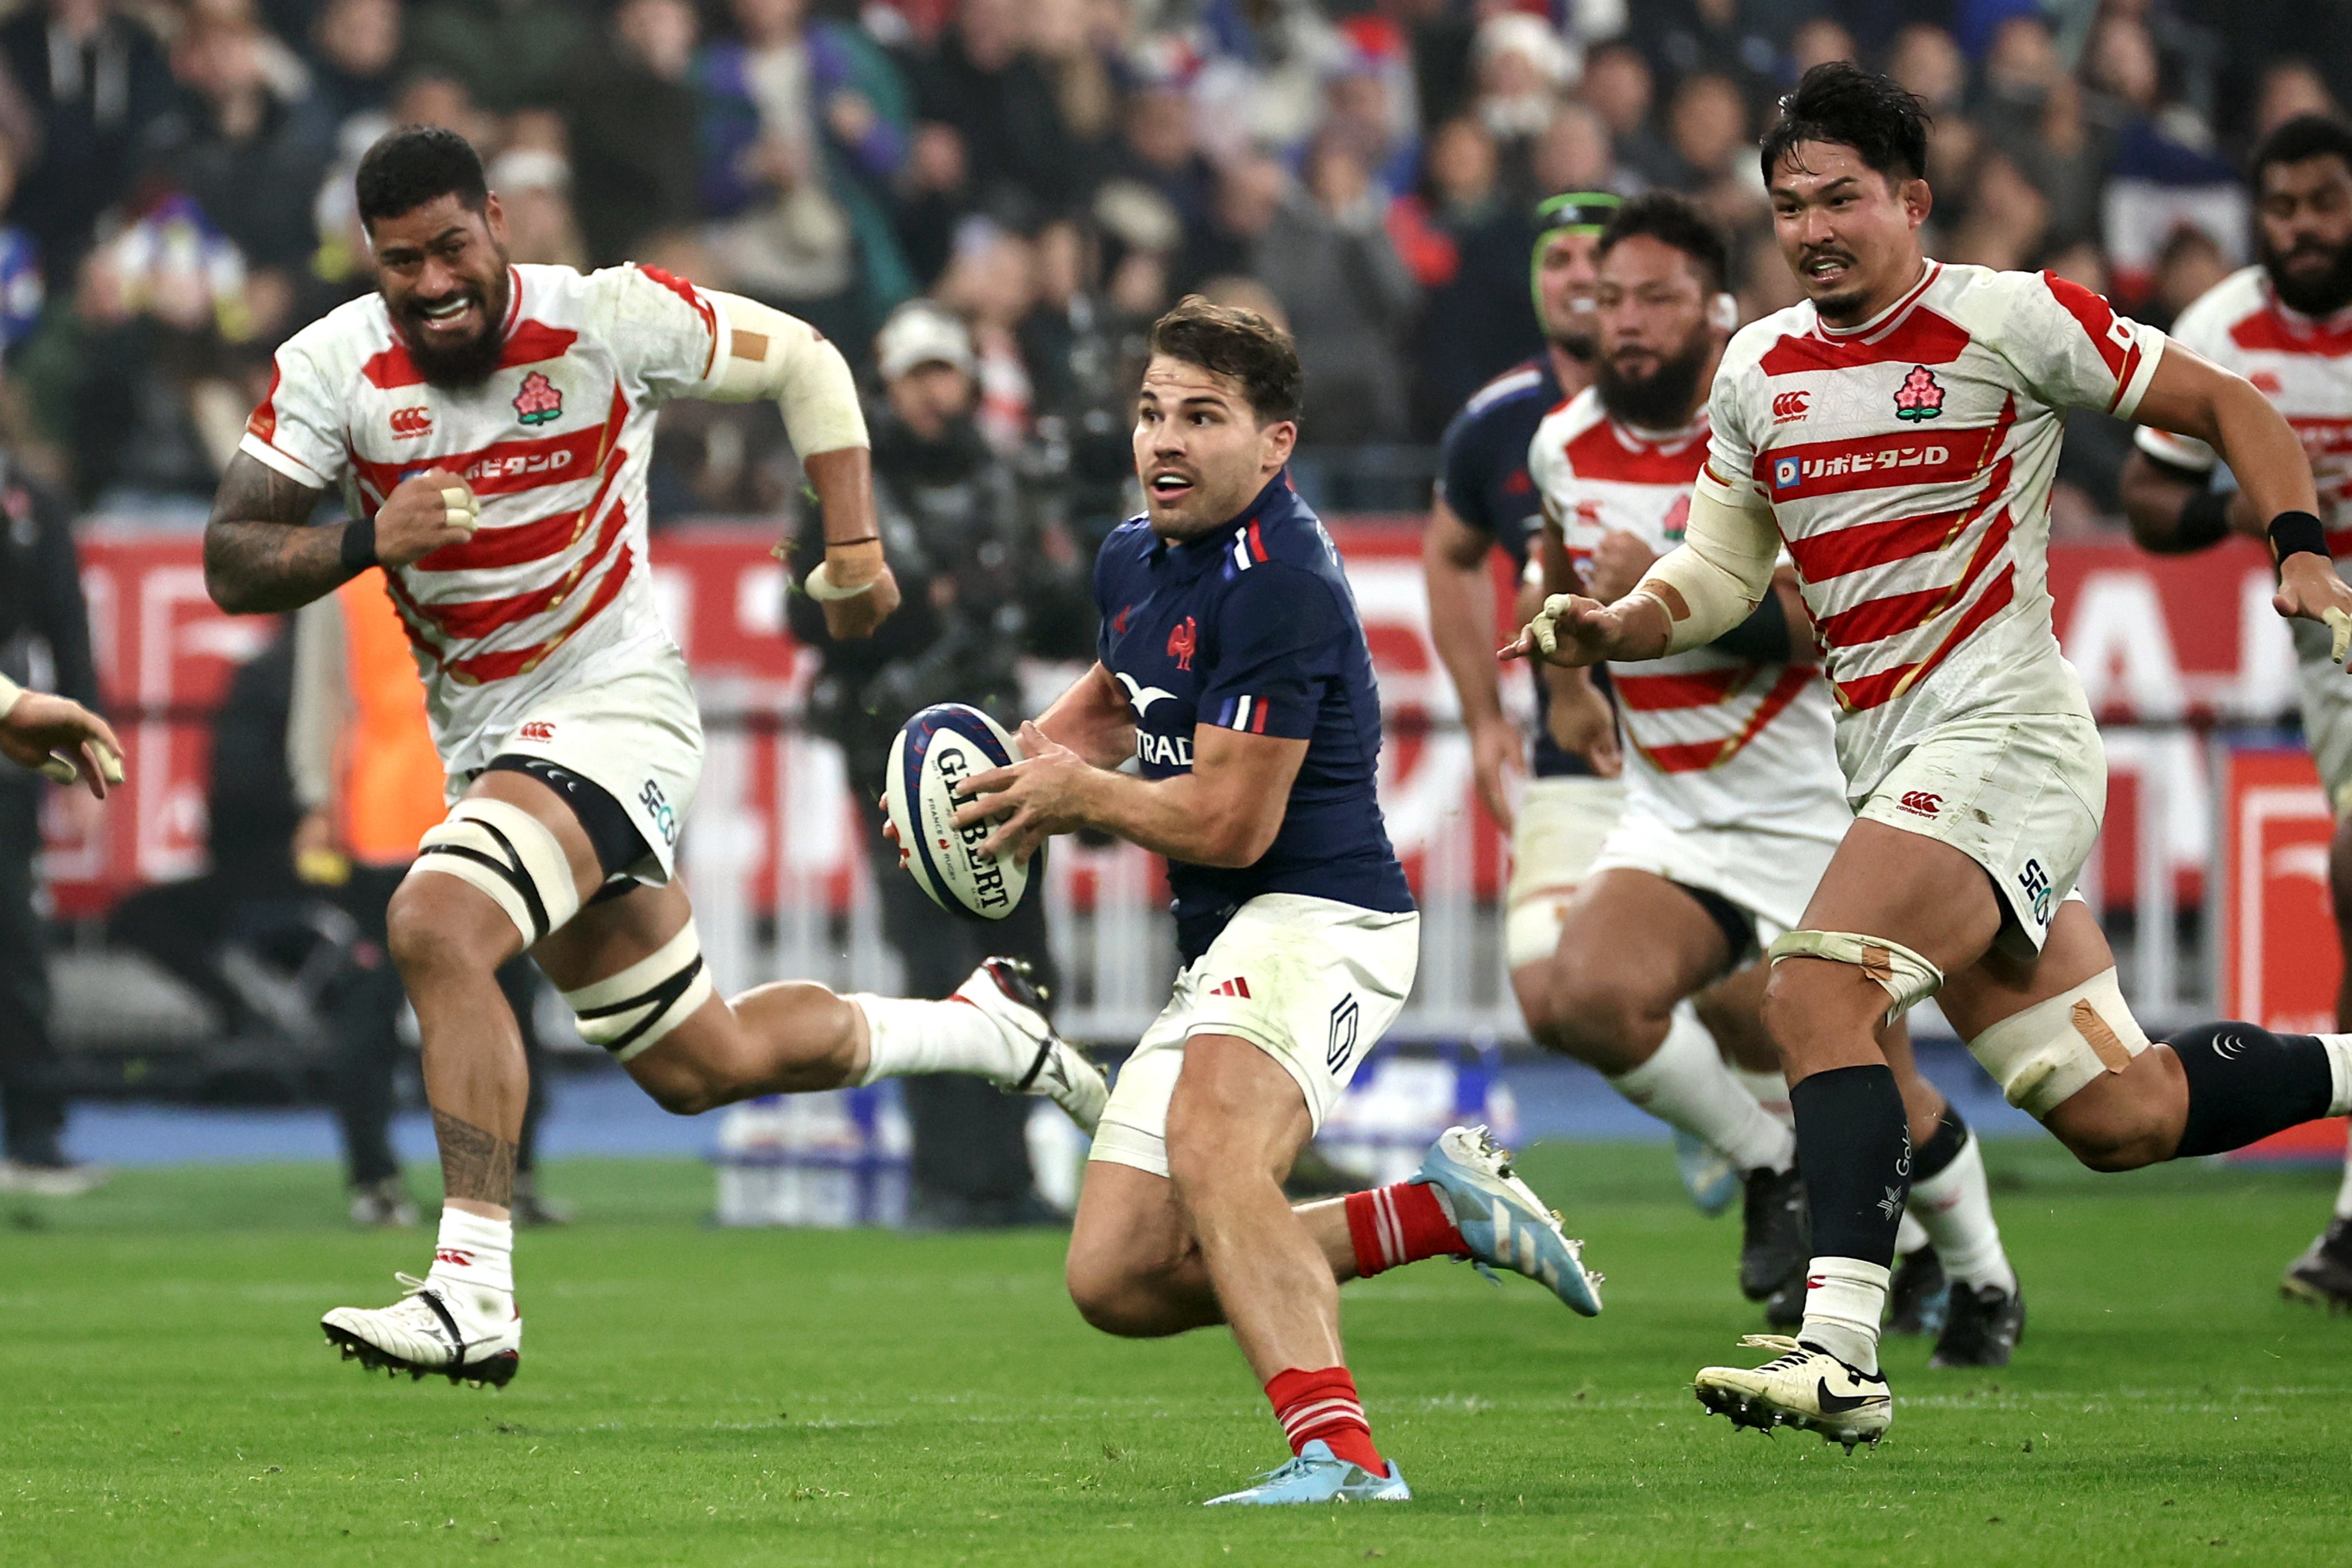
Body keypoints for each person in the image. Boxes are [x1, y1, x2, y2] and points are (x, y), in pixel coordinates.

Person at [1511, 63, 2352, 1450]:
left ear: (1912, 200)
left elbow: (2230, 412)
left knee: (1816, 991)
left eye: (1842, 199)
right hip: (1896, 761)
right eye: (1790, 206)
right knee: (2118, 1112)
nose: (1814, 229)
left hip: (2006, 740)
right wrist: (1619, 620)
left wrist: (2300, 554)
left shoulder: (2006, 319)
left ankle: (1838, 1347)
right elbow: (1718, 577)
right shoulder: (1759, 370)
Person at [202, 125, 1106, 1389]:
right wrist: (365, 538)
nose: (431, 281)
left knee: (436, 922)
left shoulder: (610, 319)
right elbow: (231, 555)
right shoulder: (330, 365)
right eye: (401, 260)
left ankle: (472, 1288)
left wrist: (853, 555)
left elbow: (808, 359)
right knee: (702, 1062)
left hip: (616, 709)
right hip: (492, 745)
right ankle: (981, 1030)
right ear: (373, 259)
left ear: (499, 224)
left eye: (451, 247)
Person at [949, 298, 1600, 1507]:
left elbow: (1226, 822)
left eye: (1202, 417)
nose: (1165, 443)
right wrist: (993, 784)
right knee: (1117, 1277)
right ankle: (1429, 1216)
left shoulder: (1279, 580)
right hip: (1228, 939)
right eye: (1151, 413)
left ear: (1275, 443)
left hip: (1322, 920)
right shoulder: (1132, 553)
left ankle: (1343, 1460)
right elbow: (1114, 685)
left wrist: (1076, 794)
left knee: (1212, 1150)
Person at [1527, 191, 2023, 1366]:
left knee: (1870, 1077)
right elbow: (1553, 552)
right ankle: (1769, 1168)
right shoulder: (1561, 442)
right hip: (1679, 813)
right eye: (1608, 298)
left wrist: (1664, 591)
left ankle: (1981, 1279)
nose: (1625, 320)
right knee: (1579, 993)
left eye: (1654, 297)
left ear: (1714, 309)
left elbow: (1825, 622)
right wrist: (1559, 671)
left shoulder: (1776, 421)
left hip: (1817, 807)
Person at [1422, 191, 1799, 1288]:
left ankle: (1932, 1253)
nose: (1596, 293)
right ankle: (1758, 1147)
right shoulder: (1520, 428)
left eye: (1625, 277)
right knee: (1556, 993)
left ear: (1702, 305)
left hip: (1741, 761)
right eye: (1576, 268)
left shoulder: (1755, 411)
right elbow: (1506, 562)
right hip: (1591, 760)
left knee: (1780, 1011)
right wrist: (1530, 693)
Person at [2115, 115, 2352, 1311]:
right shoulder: (2224, 333)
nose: (2303, 227)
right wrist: (2269, 509)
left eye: (2324, 201)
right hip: (2340, 655)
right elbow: (2151, 499)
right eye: (2283, 208)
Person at [788, 300, 1087, 1227]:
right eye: (914, 376)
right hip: (895, 765)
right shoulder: (845, 489)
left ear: (967, 379)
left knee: (1026, 964)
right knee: (934, 968)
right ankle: (953, 1180)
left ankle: (1015, 1175)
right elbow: (807, 618)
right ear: (889, 386)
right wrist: (910, 601)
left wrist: (1087, 541)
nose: (931, 393)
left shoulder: (1011, 481)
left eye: (943, 372)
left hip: (1002, 765)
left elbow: (1060, 622)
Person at [288, 576, 566, 1228]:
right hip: (445, 817)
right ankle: (474, 1179)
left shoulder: (352, 572)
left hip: (429, 816)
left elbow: (321, 695)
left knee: (458, 1007)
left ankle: (399, 1180)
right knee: (480, 1005)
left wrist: (316, 797)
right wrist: (316, 799)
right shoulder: (500, 558)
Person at [0, 471, 118, 1195]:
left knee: (15, 941)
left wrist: (85, 745)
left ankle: (35, 1138)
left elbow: (66, 623)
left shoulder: (30, 501)